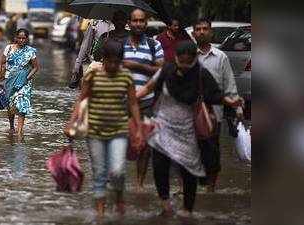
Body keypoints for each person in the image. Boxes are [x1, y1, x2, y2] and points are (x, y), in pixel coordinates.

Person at [136, 41, 242, 217]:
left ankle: (187, 211)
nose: (184, 68)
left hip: (188, 131)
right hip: (163, 127)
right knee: (159, 165)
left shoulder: (201, 75)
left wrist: (232, 102)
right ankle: (165, 204)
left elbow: (215, 95)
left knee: (189, 171)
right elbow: (148, 88)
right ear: (176, 59)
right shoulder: (166, 71)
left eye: (188, 64)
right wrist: (128, 98)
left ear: (194, 60)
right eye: (181, 64)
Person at [64, 40, 142, 219]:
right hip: (95, 132)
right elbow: (81, 101)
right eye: (110, 61)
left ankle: (119, 196)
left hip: (119, 131)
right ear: (103, 59)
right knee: (99, 173)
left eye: (117, 62)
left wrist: (138, 128)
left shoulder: (126, 77)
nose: (113, 66)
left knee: (117, 171)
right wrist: (71, 123)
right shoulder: (92, 76)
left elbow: (133, 104)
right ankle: (100, 214)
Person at [191, 18, 244, 192]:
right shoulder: (188, 56)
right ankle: (189, 187)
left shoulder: (221, 57)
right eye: (197, 29)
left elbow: (229, 85)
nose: (201, 32)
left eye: (204, 29)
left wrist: (237, 108)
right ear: (193, 33)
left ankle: (210, 190)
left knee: (212, 152)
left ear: (210, 32)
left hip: (214, 114)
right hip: (189, 113)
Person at [123, 8, 164, 191]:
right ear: (129, 23)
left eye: (141, 21)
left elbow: (161, 71)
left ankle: (139, 183)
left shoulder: (154, 45)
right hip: (121, 101)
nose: (138, 24)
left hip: (147, 100)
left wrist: (137, 66)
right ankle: (118, 181)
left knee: (145, 145)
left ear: (146, 23)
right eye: (135, 20)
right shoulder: (120, 45)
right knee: (119, 141)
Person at [0, 28, 39, 140]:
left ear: (27, 39)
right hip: (9, 80)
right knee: (10, 105)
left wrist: (27, 78)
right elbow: (2, 64)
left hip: (24, 82)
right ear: (15, 38)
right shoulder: (9, 48)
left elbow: (36, 67)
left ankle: (19, 132)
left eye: (24, 38)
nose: (21, 40)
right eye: (19, 38)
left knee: (21, 104)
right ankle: (11, 126)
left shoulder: (30, 51)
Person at [68, 19, 114, 89]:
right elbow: (85, 45)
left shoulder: (124, 25)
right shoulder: (95, 23)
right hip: (97, 63)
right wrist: (77, 65)